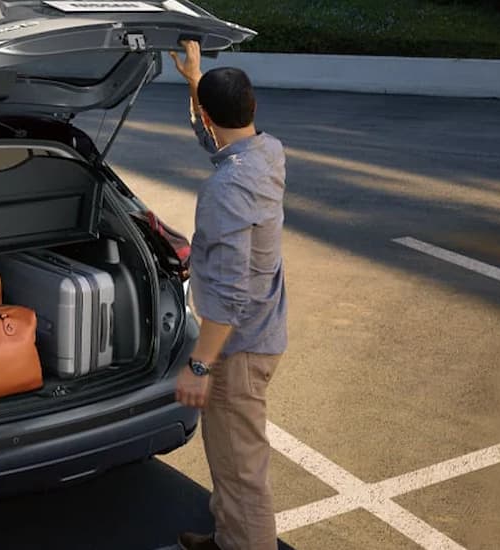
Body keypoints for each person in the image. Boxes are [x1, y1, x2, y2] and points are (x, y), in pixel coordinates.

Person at [169, 40, 289, 550]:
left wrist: (200, 364)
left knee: (242, 470)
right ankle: (226, 538)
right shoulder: (268, 151)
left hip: (238, 348)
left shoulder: (225, 190)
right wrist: (197, 79)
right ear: (253, 107)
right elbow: (218, 138)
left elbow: (232, 292)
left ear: (209, 117)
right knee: (226, 455)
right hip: (263, 332)